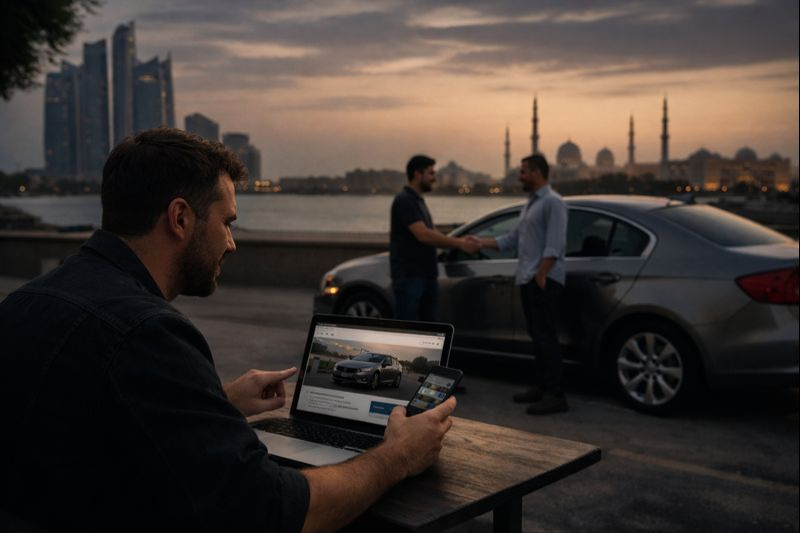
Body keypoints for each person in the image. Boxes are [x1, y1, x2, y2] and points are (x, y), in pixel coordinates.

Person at [0, 128, 456, 532]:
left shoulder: (25, 303)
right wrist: (397, 456)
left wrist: (215, 403)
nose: (232, 243)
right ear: (180, 219)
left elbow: (87, 426)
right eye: (227, 222)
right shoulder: (148, 334)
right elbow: (271, 513)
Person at [474, 154, 569, 415]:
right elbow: (512, 239)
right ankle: (542, 387)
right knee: (537, 337)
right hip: (528, 279)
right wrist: (480, 242)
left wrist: (542, 274)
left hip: (543, 280)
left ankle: (556, 395)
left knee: (546, 337)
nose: (520, 177)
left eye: (524, 172)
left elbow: (555, 244)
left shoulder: (553, 202)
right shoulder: (531, 205)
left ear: (537, 172)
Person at [390, 154, 479, 321]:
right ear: (418, 174)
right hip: (411, 277)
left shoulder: (417, 201)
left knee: (428, 329)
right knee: (410, 329)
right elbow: (423, 234)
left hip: (425, 276)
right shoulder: (405, 200)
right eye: (430, 173)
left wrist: (458, 241)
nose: (434, 178)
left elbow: (432, 232)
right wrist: (459, 243)